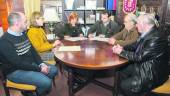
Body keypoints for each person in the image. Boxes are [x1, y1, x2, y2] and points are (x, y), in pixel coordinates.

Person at [0, 12, 58, 96]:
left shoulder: (23, 34)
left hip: (29, 64)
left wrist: (41, 63)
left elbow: (33, 51)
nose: (27, 23)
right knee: (46, 82)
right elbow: (18, 64)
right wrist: (39, 69)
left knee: (53, 70)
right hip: (15, 71)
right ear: (17, 24)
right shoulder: (4, 42)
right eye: (25, 21)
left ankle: (34, 90)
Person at [112, 14, 169, 96]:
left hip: (153, 72)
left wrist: (121, 52)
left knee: (125, 85)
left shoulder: (156, 38)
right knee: (122, 70)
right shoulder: (147, 33)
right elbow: (135, 46)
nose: (136, 26)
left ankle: (134, 91)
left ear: (144, 24)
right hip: (146, 64)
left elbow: (139, 57)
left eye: (138, 23)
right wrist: (122, 47)